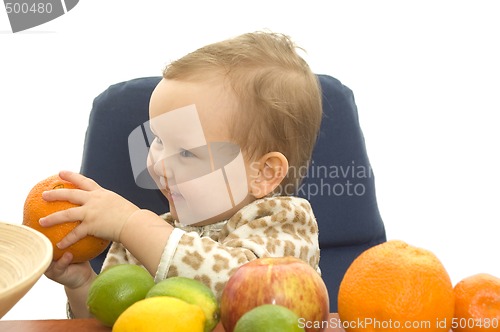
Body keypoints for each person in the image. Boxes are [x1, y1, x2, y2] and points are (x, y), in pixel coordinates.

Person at [41, 31, 323, 318]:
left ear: (263, 173)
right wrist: (82, 285)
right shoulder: (146, 236)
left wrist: (131, 224)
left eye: (187, 153)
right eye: (159, 140)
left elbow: (239, 287)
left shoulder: (285, 223)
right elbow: (115, 318)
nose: (159, 164)